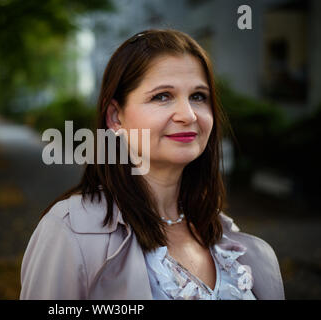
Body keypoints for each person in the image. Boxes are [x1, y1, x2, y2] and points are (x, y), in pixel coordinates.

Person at [19, 29, 285, 300]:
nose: (188, 115)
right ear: (115, 118)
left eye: (198, 96)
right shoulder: (70, 231)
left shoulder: (237, 247)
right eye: (162, 96)